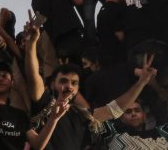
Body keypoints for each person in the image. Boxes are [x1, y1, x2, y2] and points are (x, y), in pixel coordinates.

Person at [24, 23, 158, 150]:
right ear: (53, 84)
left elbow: (116, 108)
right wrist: (31, 46)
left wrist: (141, 82)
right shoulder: (46, 104)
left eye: (74, 83)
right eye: (63, 81)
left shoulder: (83, 116)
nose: (69, 86)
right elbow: (33, 78)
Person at [32, 0, 84, 65]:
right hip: (73, 32)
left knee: (70, 73)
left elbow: (41, 23)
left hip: (58, 43)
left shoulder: (34, 0)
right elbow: (78, 0)